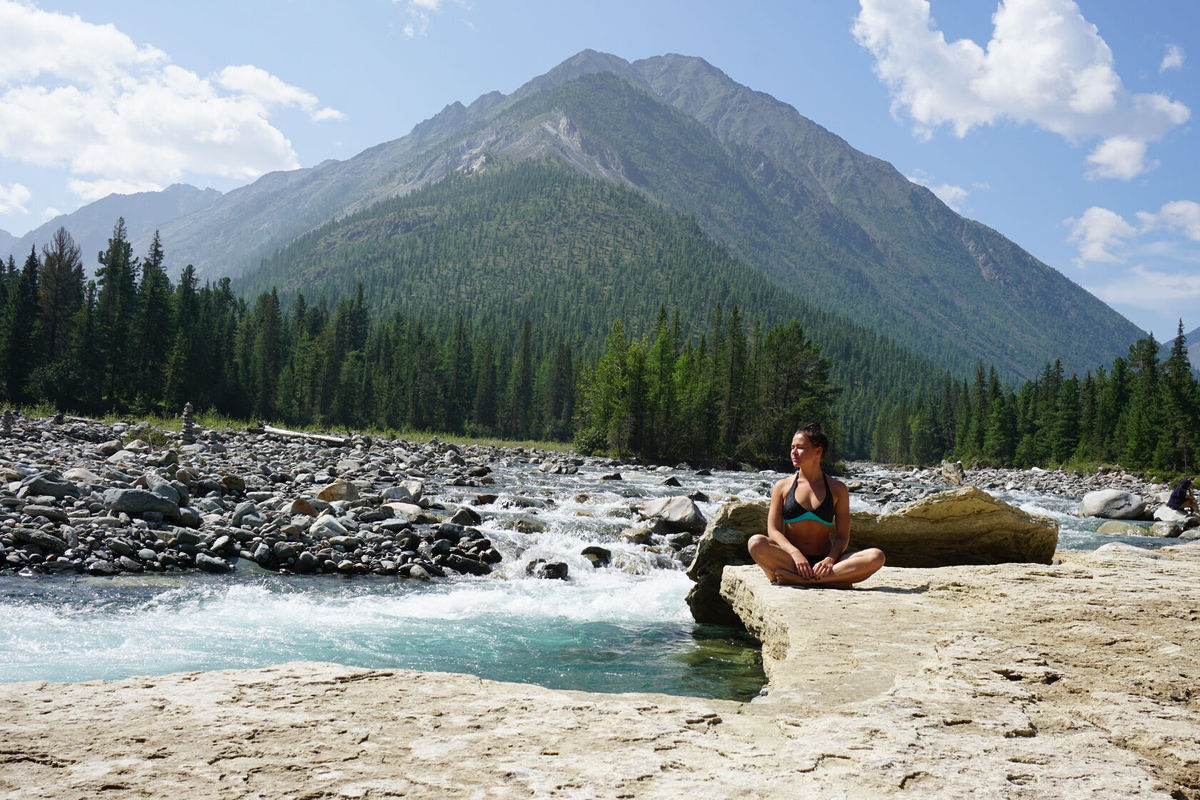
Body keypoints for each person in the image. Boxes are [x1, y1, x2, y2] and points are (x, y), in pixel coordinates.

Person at [746, 423, 884, 587]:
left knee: (877, 556)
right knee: (756, 542)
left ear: (818, 451)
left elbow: (842, 537)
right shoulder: (782, 486)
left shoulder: (837, 489)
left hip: (824, 563)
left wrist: (829, 560)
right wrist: (795, 553)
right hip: (790, 560)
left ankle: (803, 579)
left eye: (800, 448)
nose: (794, 452)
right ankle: (833, 580)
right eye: (792, 447)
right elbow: (773, 531)